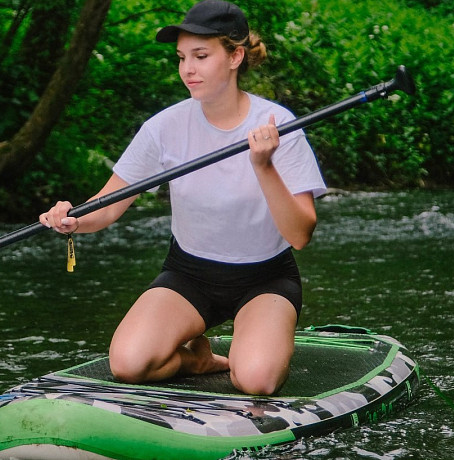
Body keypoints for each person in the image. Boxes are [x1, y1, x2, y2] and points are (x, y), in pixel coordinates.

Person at [39, 0, 326, 395]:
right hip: (190, 274)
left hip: (265, 277)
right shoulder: (164, 127)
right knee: (128, 364)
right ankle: (196, 360)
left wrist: (263, 166)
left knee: (257, 380)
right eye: (181, 58)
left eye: (201, 56)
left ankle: (256, 347)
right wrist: (72, 218)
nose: (187, 69)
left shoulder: (279, 125)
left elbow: (300, 235)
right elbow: (106, 207)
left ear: (235, 56)